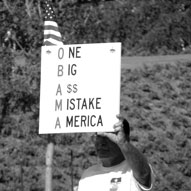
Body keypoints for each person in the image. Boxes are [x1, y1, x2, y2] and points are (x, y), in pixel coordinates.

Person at [78, 114, 153, 191]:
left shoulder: (133, 170)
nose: (101, 142)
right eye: (98, 136)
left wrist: (123, 143)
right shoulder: (87, 175)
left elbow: (143, 174)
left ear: (125, 138)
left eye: (108, 135)